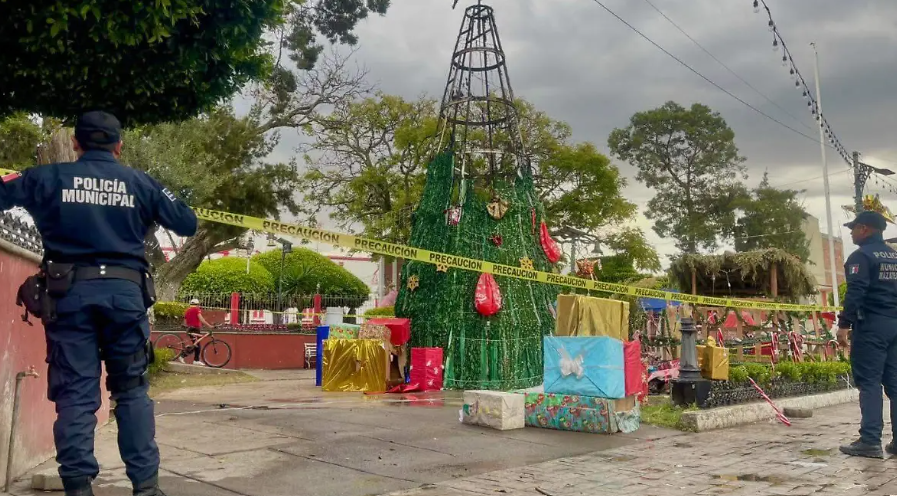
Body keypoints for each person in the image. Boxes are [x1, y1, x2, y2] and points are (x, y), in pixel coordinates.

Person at [0, 111, 197, 495]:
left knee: (75, 394)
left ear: (76, 142)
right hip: (125, 298)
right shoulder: (140, 182)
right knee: (132, 390)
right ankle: (146, 487)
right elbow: (187, 222)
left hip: (68, 296)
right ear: (119, 145)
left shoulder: (46, 178)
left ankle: (77, 488)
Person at [837, 210, 897, 459]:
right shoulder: (894, 257)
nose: (851, 232)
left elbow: (856, 292)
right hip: (894, 326)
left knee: (869, 382)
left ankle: (870, 440)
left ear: (864, 229)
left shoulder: (861, 257)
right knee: (894, 383)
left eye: (853, 228)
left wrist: (844, 325)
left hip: (871, 326)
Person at [182, 299, 212, 365]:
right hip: (195, 329)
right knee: (196, 345)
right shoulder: (196, 309)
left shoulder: (188, 310)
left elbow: (185, 321)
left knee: (196, 345)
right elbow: (201, 319)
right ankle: (183, 356)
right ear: (197, 304)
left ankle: (196, 360)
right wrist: (209, 326)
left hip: (190, 328)